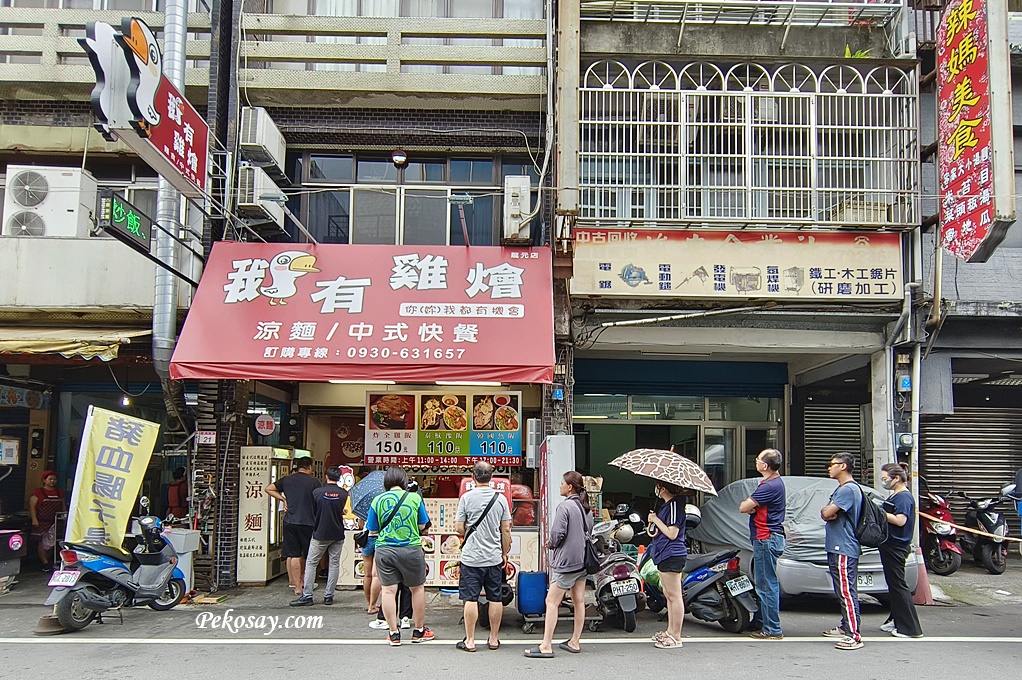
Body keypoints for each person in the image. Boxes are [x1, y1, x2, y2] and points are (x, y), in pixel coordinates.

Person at [524, 471, 593, 659]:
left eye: (562, 483)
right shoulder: (586, 507)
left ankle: (546, 645)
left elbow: (557, 533)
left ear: (570, 487)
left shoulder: (565, 507)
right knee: (579, 600)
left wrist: (551, 544)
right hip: (583, 560)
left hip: (567, 562)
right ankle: (575, 641)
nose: (560, 486)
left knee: (551, 601)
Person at [366, 466, 434, 646]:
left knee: (388, 591)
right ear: (404, 481)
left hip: (385, 550)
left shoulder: (377, 500)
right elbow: (422, 527)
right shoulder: (414, 498)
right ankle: (419, 631)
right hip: (411, 549)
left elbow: (372, 529)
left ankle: (394, 634)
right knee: (417, 589)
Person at [455, 461, 512, 652]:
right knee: (495, 597)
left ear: (473, 476)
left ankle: (470, 640)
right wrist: (504, 553)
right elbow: (506, 529)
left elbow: (458, 528)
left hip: (471, 558)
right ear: (491, 478)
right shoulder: (501, 499)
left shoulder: (466, 498)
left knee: (470, 598)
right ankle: (494, 639)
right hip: (493, 557)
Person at [739, 448, 786, 640]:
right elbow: (751, 507)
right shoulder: (770, 483)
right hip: (766, 537)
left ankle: (772, 628)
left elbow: (744, 507)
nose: (756, 461)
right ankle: (760, 621)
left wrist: (752, 507)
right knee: (762, 582)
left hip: (766, 537)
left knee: (766, 585)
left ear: (765, 466)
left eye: (758, 459)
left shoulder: (769, 486)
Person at [820, 452, 864, 651]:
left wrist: (828, 511)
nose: (829, 467)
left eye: (833, 464)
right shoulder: (843, 488)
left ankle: (854, 635)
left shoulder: (848, 490)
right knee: (842, 590)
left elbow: (827, 513)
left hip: (844, 546)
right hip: (838, 545)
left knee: (846, 591)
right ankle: (846, 626)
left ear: (843, 466)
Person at [291, 466, 348, 607]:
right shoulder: (343, 493)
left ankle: (308, 596)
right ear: (340, 477)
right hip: (337, 533)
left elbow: (314, 511)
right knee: (334, 564)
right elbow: (339, 510)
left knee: (311, 563)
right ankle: (329, 596)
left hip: (320, 533)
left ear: (326, 476)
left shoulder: (317, 492)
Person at [878, 462, 923, 638]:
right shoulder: (895, 496)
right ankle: (896, 620)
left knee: (898, 585)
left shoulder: (903, 497)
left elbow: (900, 521)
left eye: (885, 479)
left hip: (897, 546)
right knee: (894, 585)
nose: (884, 482)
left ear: (896, 478)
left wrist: (880, 513)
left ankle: (910, 628)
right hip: (890, 544)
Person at [265, 457, 322, 596]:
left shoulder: (287, 479)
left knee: (294, 554)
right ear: (309, 467)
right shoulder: (314, 482)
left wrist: (283, 499)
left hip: (290, 521)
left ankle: (297, 586)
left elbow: (268, 489)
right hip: (308, 521)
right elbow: (319, 499)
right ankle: (306, 583)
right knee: (309, 555)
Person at [647, 480, 688, 650]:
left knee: (674, 595)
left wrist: (655, 519)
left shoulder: (673, 506)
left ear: (662, 488)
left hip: (671, 553)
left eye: (657, 486)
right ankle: (670, 631)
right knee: (669, 595)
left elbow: (672, 533)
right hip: (664, 554)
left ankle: (676, 635)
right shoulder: (668, 506)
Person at [29, 470, 66, 571]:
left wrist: (64, 516)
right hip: (42, 522)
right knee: (43, 542)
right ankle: (45, 563)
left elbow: (63, 506)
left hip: (55, 521)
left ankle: (48, 561)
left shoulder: (59, 492)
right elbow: (32, 507)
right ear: (44, 480)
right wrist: (34, 519)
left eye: (54, 479)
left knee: (52, 543)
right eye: (50, 479)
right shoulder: (38, 492)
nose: (52, 481)